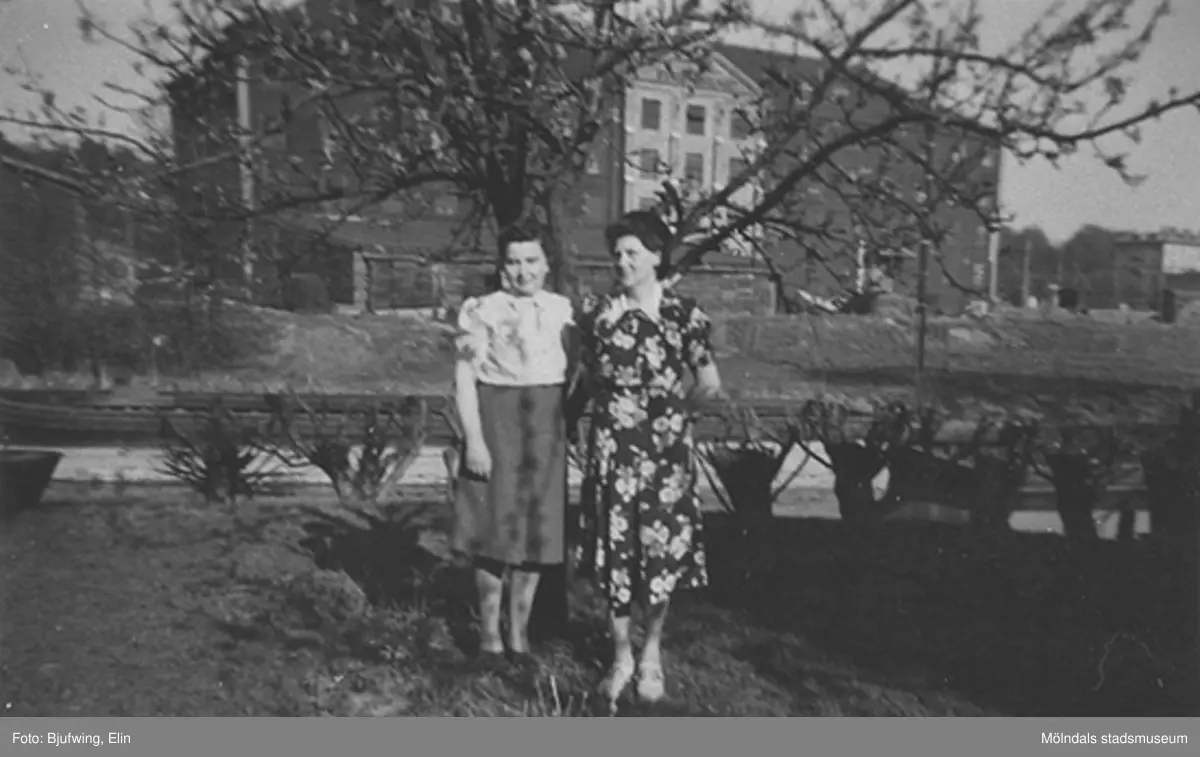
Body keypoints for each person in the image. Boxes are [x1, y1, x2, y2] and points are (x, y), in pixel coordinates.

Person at [569, 210, 726, 708]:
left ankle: (652, 654)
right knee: (614, 553)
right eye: (617, 254)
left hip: (664, 457)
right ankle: (621, 656)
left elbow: (709, 384)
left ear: (657, 256)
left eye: (633, 253)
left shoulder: (682, 315)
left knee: (658, 555)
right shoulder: (598, 315)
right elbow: (588, 379)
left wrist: (675, 415)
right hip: (612, 452)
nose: (622, 262)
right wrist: (581, 417)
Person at [451, 220, 575, 666]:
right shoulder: (482, 310)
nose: (524, 271)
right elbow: (464, 379)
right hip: (497, 421)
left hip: (544, 426)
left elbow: (574, 372)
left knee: (535, 534)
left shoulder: (562, 309)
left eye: (532, 261)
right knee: (494, 533)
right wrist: (474, 441)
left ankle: (519, 636)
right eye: (514, 262)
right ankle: (489, 637)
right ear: (502, 266)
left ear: (547, 263)